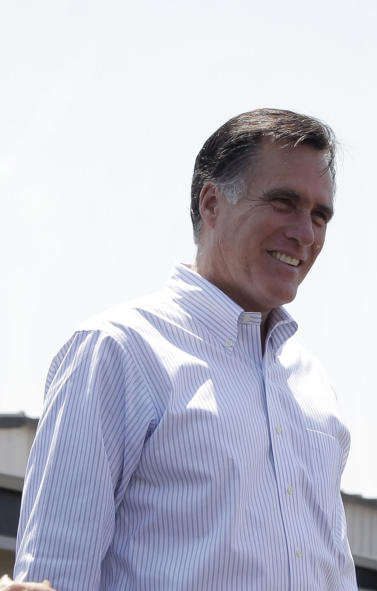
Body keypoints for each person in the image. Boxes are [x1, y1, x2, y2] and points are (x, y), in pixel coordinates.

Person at [13, 109, 357, 590]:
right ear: (212, 203)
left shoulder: (312, 383)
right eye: (284, 203)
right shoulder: (119, 351)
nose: (306, 232)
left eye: (320, 215)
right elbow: (57, 573)